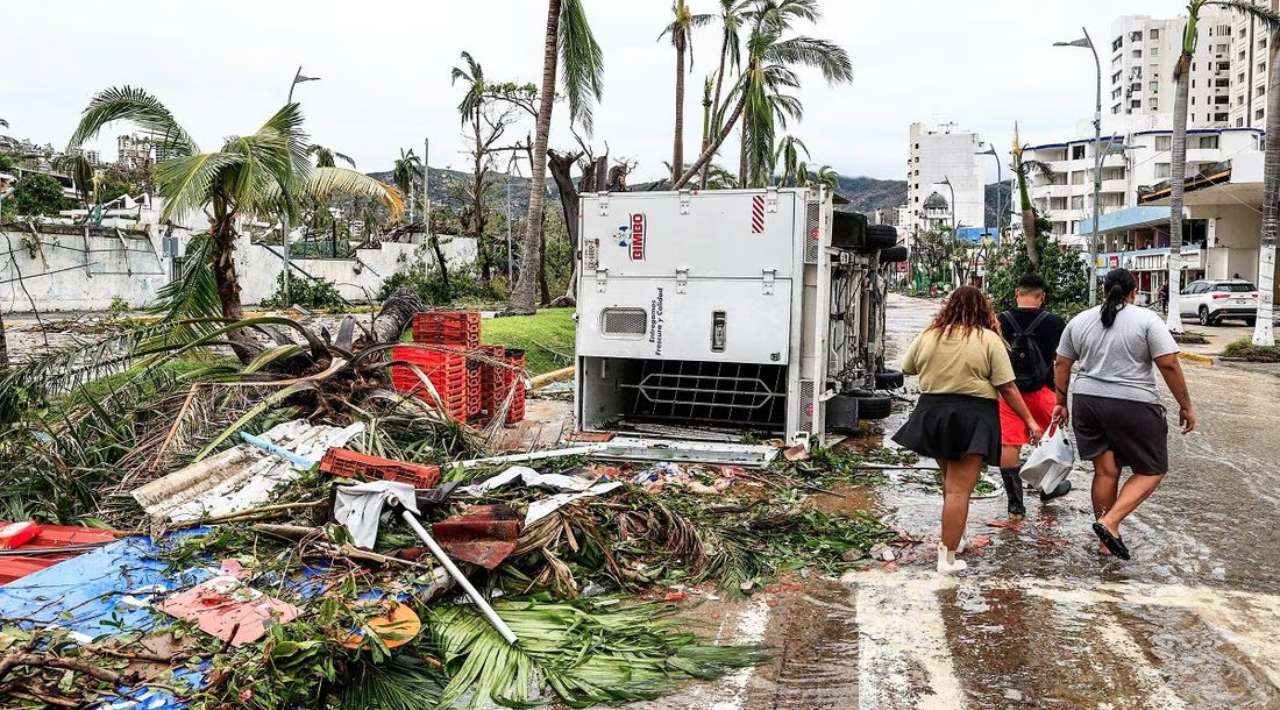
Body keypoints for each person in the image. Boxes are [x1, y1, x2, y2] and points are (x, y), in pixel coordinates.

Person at [894, 286, 1044, 574]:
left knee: (950, 483)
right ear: (983, 309)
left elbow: (907, 366)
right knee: (959, 491)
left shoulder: (930, 334)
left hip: (932, 413)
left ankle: (956, 538)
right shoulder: (988, 339)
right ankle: (946, 558)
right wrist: (1030, 421)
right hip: (972, 415)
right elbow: (1007, 387)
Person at [1053, 268, 1195, 561]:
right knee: (1153, 470)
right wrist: (1186, 404)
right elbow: (1168, 364)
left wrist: (1060, 403)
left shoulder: (1079, 320)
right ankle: (1110, 522)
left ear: (1104, 290)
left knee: (1106, 471)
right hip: (1134, 403)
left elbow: (1062, 363)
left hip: (1087, 402)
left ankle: (1107, 541)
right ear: (1133, 293)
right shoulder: (1146, 319)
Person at [996, 274, 1071, 517]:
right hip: (1045, 392)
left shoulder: (1000, 321)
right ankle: (1048, 489)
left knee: (1010, 443)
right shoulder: (1056, 323)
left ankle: (1016, 504)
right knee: (1053, 441)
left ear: (1017, 292)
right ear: (1042, 297)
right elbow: (1062, 362)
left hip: (1010, 392)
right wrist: (1062, 399)